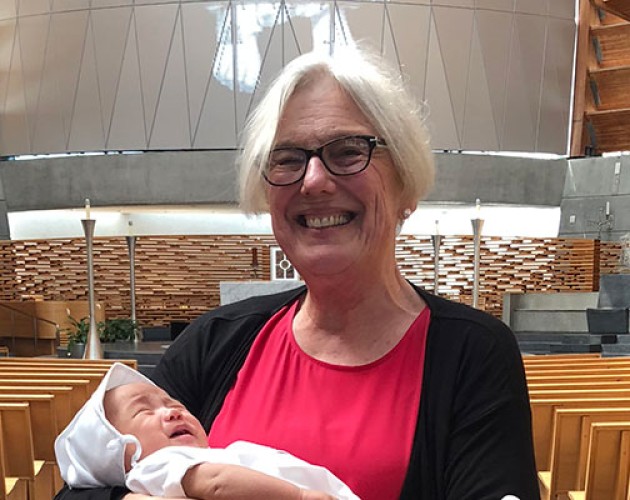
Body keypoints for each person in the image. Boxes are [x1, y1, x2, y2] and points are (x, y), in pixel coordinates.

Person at [54, 47, 539, 500]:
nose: (313, 181)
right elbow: (91, 473)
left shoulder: (473, 353)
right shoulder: (217, 340)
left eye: (349, 151)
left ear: (405, 185)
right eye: (287, 159)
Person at [55, 362, 358, 499]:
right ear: (117, 450)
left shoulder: (210, 455)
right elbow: (216, 483)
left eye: (175, 404)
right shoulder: (154, 468)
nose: (173, 411)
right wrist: (299, 496)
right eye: (145, 411)